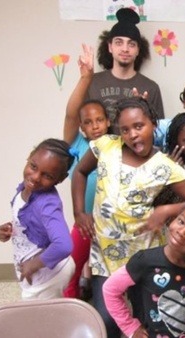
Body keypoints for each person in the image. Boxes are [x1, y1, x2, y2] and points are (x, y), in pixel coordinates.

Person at [72, 97, 185, 338]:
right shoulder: (105, 146)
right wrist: (79, 212)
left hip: (143, 257)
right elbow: (79, 172)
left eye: (139, 126)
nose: (132, 134)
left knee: (144, 321)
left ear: (153, 124)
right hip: (105, 254)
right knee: (107, 320)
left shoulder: (164, 165)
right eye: (125, 129)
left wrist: (165, 211)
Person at [103, 198, 185, 338]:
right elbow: (110, 289)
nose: (182, 232)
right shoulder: (145, 261)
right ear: (172, 219)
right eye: (181, 221)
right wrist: (130, 327)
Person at [0, 139, 76, 300]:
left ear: (60, 179)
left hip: (49, 274)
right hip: (38, 269)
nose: (35, 177)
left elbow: (64, 245)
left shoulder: (47, 204)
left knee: (41, 317)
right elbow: (27, 218)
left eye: (47, 175)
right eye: (33, 167)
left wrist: (33, 265)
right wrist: (8, 230)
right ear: (29, 156)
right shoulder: (24, 188)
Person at [66, 8, 164, 135]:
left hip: (135, 153)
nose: (125, 49)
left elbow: (159, 133)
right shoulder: (92, 82)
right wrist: (85, 78)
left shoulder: (150, 88)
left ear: (138, 50)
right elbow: (71, 119)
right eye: (119, 43)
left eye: (131, 44)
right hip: (97, 153)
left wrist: (143, 111)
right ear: (110, 47)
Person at [63, 99, 110, 299]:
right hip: (84, 221)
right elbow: (70, 114)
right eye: (88, 122)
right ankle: (70, 305)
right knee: (70, 270)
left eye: (99, 120)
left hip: (109, 224)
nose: (95, 126)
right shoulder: (77, 144)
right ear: (81, 127)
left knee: (108, 274)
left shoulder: (116, 146)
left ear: (108, 122)